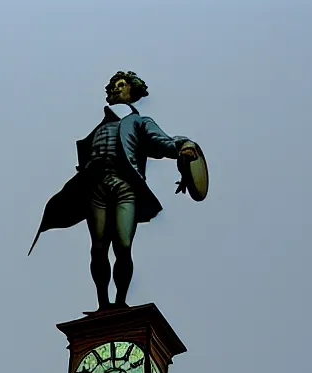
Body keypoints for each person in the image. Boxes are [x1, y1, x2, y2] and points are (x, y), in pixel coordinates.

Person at [30, 71, 200, 311]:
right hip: (95, 189)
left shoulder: (139, 122)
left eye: (120, 85)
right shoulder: (98, 129)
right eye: (112, 86)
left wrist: (184, 145)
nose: (114, 89)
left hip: (125, 188)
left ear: (132, 91)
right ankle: (103, 305)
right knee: (98, 246)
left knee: (123, 245)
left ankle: (120, 302)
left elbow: (163, 142)